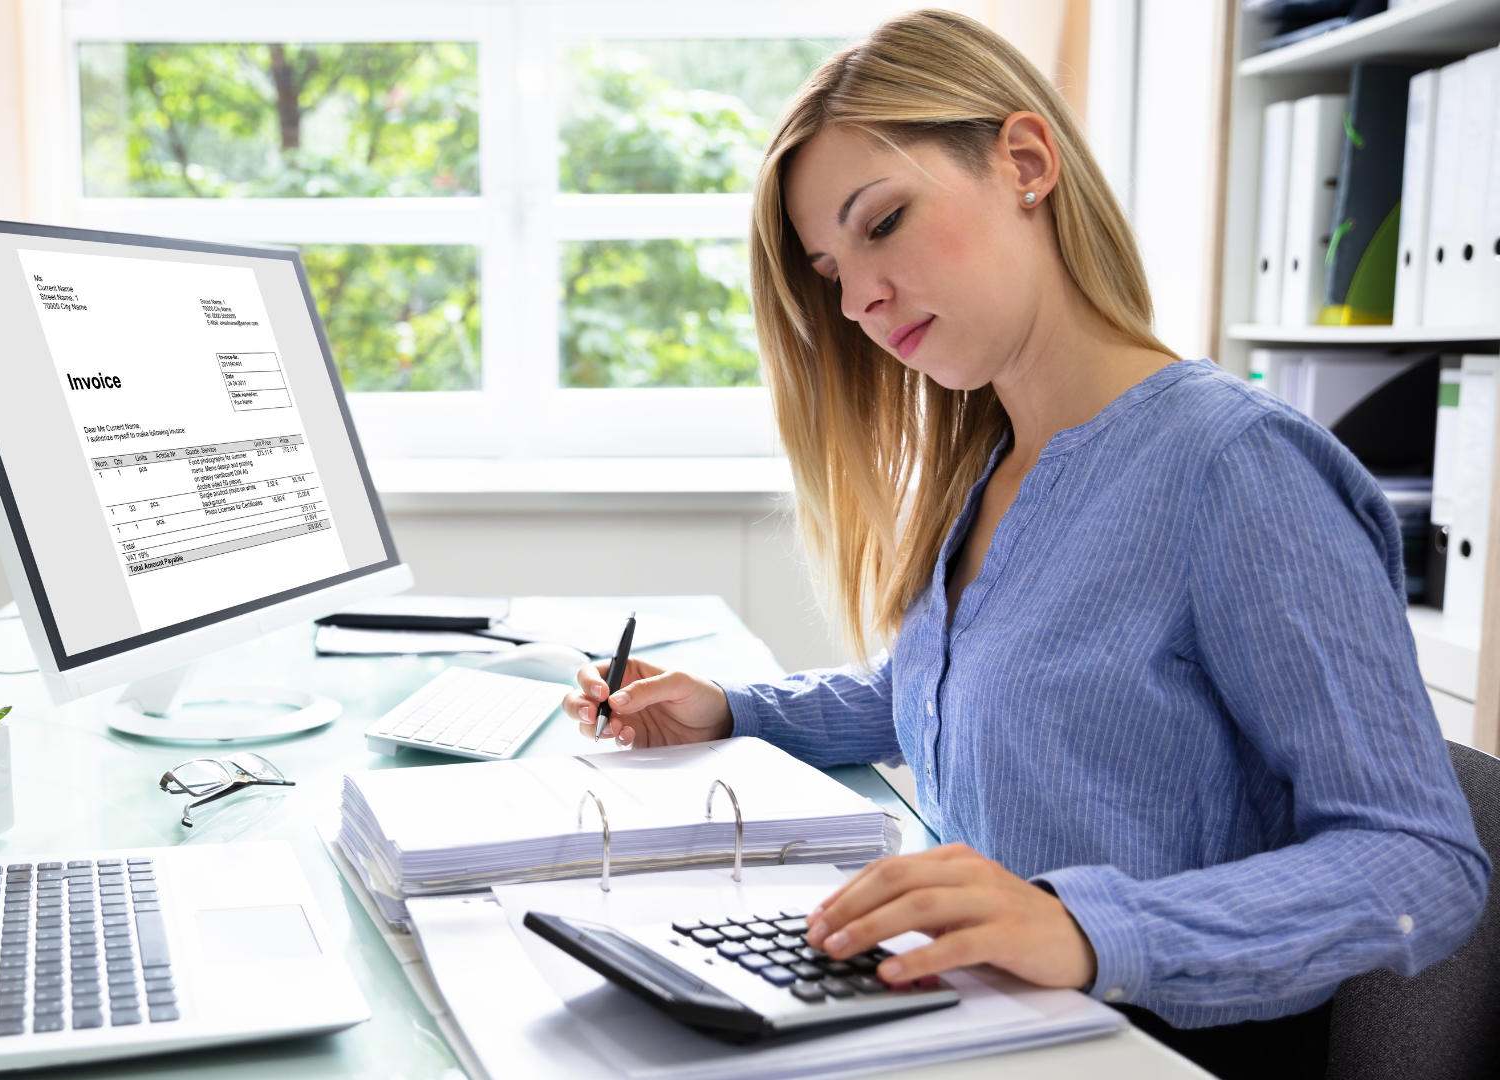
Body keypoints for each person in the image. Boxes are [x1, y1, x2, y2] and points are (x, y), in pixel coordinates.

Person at [562, 10, 1489, 1079]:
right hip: (986, 1031)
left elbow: (1418, 861)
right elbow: (975, 685)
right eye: (829, 271)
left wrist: (1089, 928)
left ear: (1026, 162)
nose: (859, 298)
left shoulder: (1234, 468)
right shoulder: (994, 461)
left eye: (883, 222)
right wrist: (734, 709)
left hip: (1144, 1049)